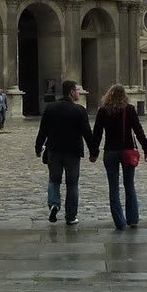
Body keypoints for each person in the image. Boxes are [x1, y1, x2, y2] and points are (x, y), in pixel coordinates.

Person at [89, 84, 147, 229]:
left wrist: (94, 153)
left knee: (113, 188)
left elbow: (97, 134)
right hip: (127, 151)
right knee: (129, 185)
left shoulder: (103, 111)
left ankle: (119, 222)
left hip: (110, 152)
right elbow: (138, 131)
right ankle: (133, 219)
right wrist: (146, 149)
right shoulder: (129, 110)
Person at [34, 79, 94, 224]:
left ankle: (54, 204)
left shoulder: (51, 108)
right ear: (72, 92)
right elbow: (87, 133)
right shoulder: (79, 110)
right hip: (73, 152)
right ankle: (71, 216)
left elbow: (43, 130)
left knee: (54, 180)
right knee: (72, 184)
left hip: (54, 150)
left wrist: (38, 147)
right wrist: (94, 151)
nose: (79, 93)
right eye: (78, 90)